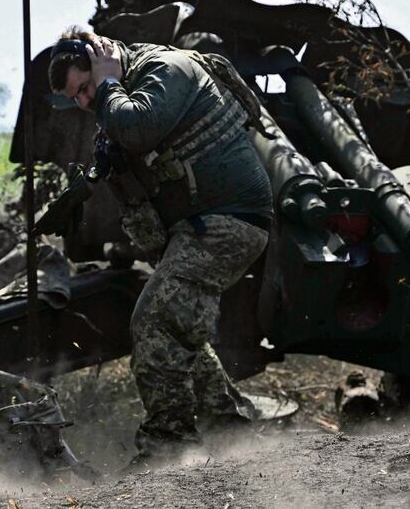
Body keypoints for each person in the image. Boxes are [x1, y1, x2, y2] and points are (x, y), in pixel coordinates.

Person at [45, 26, 273, 462]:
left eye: (85, 87)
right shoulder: (121, 97)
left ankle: (168, 445)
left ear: (99, 59)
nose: (85, 101)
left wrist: (109, 82)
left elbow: (135, 129)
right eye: (75, 97)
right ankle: (229, 428)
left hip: (229, 220)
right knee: (179, 328)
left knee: (151, 321)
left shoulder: (163, 69)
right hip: (203, 225)